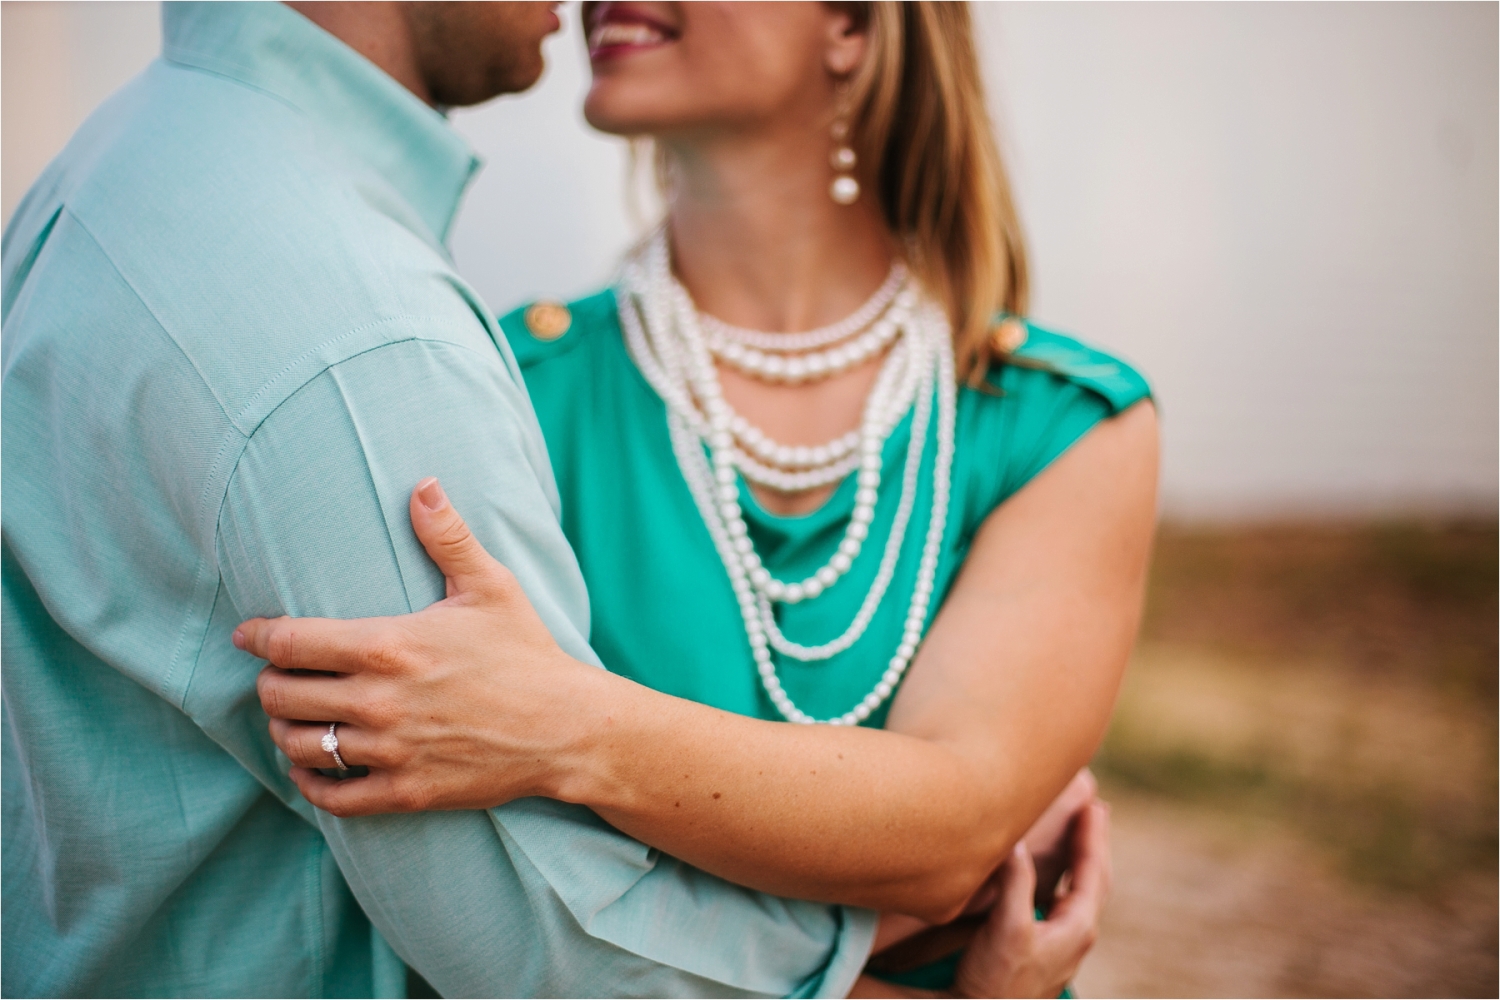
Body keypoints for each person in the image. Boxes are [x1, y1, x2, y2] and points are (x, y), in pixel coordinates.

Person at [2, 2, 1085, 996]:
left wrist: (571, 724)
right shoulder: (416, 359)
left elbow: (965, 824)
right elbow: (547, 940)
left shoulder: (1059, 417)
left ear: (852, 22)